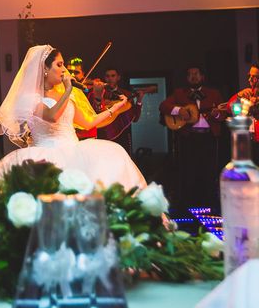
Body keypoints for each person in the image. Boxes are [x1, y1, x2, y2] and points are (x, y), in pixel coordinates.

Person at [0, 45, 146, 191]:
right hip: (43, 154)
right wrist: (68, 90)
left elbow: (88, 122)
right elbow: (52, 116)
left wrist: (114, 109)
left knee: (115, 153)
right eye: (59, 65)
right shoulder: (30, 97)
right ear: (44, 69)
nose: (64, 70)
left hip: (74, 151)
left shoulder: (66, 95)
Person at [159, 66, 225, 211]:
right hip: (188, 138)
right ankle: (189, 205)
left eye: (196, 74)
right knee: (189, 171)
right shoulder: (180, 93)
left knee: (208, 171)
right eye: (189, 75)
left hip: (208, 138)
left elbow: (224, 115)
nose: (193, 77)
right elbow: (163, 106)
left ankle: (209, 205)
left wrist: (217, 115)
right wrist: (179, 110)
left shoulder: (213, 94)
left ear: (202, 77)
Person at [96, 67, 143, 156]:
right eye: (107, 76)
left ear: (118, 77)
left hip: (122, 133)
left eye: (113, 76)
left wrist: (139, 100)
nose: (110, 79)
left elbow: (135, 118)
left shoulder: (127, 94)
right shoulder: (99, 92)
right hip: (104, 133)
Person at [227, 64, 259, 163]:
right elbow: (229, 108)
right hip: (249, 139)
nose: (250, 79)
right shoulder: (248, 93)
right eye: (249, 76)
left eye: (255, 77)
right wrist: (239, 95)